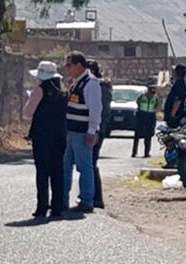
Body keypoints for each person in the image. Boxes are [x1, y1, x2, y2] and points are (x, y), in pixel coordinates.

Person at [24, 61, 68, 218]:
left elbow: (28, 112)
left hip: (42, 134)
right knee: (58, 170)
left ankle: (42, 206)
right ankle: (58, 207)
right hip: (60, 134)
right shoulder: (63, 92)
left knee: (42, 171)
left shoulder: (40, 91)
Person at [63, 51, 102, 213]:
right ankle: (62, 199)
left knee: (84, 167)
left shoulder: (90, 84)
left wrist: (92, 131)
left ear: (79, 65)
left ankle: (87, 200)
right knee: (65, 166)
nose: (67, 69)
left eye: (69, 65)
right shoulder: (76, 82)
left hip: (82, 132)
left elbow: (95, 110)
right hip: (70, 132)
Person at [86, 60, 112, 209]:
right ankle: (92, 196)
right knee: (90, 163)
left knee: (91, 163)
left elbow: (102, 112)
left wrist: (97, 131)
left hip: (96, 131)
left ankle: (96, 197)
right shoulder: (96, 86)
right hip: (96, 130)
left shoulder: (100, 88)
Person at [132, 85, 158, 158]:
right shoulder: (142, 96)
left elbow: (156, 107)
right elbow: (138, 102)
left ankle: (146, 153)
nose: (152, 94)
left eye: (153, 93)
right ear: (148, 91)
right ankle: (134, 152)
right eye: (151, 92)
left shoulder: (155, 98)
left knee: (148, 136)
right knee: (137, 135)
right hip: (142, 115)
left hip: (150, 116)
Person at [164, 64, 186, 128]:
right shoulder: (179, 84)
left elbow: (178, 101)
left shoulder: (180, 85)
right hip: (176, 116)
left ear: (177, 73)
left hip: (176, 118)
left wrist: (172, 117)